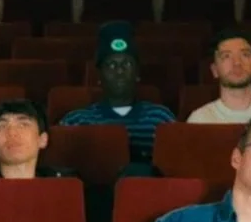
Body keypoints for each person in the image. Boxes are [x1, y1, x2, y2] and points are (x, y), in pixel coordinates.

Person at [58, 21, 175, 166]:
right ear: (99, 76)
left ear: (137, 73)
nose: (119, 71)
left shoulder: (161, 118)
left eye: (127, 64)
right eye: (111, 65)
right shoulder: (76, 122)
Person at [0, 98, 76, 179]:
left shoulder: (66, 183)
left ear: (42, 139)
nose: (12, 133)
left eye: (23, 125)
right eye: (2, 126)